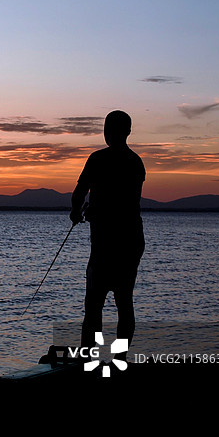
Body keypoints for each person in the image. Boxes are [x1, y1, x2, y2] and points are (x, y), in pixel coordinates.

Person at [70, 110, 145, 351]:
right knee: (124, 303)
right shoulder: (136, 162)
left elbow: (80, 192)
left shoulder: (97, 159)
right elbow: (126, 202)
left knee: (93, 304)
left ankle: (87, 359)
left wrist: (77, 211)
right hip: (131, 242)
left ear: (107, 131)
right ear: (128, 132)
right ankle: (120, 358)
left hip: (105, 246)